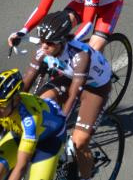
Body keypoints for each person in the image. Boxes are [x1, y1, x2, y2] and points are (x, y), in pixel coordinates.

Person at [22, 12, 111, 180]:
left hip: (95, 88)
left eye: (49, 43)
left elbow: (74, 94)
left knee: (79, 141)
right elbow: (27, 82)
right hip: (69, 78)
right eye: (41, 41)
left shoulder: (80, 55)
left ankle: (85, 175)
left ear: (62, 41)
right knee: (39, 105)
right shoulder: (44, 50)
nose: (44, 46)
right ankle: (61, 156)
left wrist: (62, 119)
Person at [0, 68, 66, 180]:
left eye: (1, 106)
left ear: (15, 100)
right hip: (20, 133)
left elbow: (21, 167)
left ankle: (62, 162)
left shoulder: (30, 120)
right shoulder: (6, 108)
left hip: (49, 141)